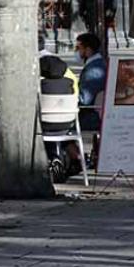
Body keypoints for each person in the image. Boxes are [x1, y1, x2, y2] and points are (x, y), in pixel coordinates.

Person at [40, 54, 83, 182]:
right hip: (66, 124)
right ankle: (75, 159)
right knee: (60, 130)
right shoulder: (69, 83)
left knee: (43, 128)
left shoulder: (40, 85)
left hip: (45, 125)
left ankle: (53, 159)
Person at [76, 32, 106, 131]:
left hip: (90, 118)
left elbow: (85, 100)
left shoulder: (94, 70)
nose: (76, 52)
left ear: (88, 50)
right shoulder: (97, 64)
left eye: (78, 48)